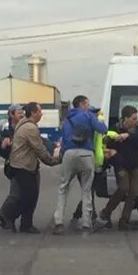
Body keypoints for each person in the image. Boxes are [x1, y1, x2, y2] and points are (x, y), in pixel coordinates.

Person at [0, 102, 58, 234]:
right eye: (40, 111)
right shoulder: (30, 128)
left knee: (26, 195)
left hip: (20, 165)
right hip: (23, 166)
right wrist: (51, 160)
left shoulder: (24, 125)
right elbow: (39, 148)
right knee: (29, 196)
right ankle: (8, 215)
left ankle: (18, 220)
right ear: (33, 113)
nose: (42, 113)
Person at [53, 96, 108, 236]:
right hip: (86, 154)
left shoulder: (67, 120)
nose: (88, 106)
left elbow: (64, 140)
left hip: (68, 154)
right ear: (83, 104)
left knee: (63, 188)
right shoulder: (88, 115)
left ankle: (58, 223)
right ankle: (86, 224)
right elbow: (103, 130)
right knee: (86, 190)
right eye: (87, 104)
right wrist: (99, 119)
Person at [94, 105, 138, 232]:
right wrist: (111, 151)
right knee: (123, 188)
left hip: (135, 165)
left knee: (133, 192)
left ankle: (124, 221)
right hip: (121, 165)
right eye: (133, 118)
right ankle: (105, 213)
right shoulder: (114, 129)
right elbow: (105, 145)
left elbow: (137, 134)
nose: (136, 121)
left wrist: (126, 135)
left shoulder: (136, 128)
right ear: (125, 118)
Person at [0, 104, 25, 229]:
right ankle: (3, 213)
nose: (22, 114)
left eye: (22, 112)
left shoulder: (24, 127)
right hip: (13, 166)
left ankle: (8, 217)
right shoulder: (7, 131)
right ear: (11, 114)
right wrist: (4, 146)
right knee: (16, 194)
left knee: (23, 194)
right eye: (19, 112)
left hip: (25, 164)